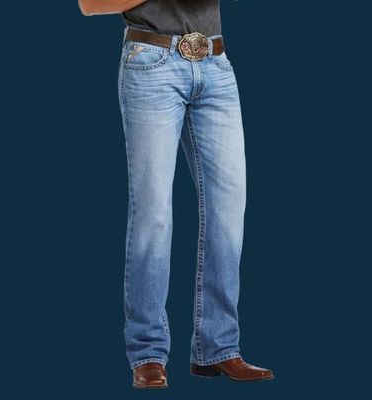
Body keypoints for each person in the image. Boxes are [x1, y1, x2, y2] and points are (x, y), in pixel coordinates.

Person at [78, 0, 274, 389]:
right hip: (151, 61)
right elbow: (89, 4)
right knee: (154, 214)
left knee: (229, 209)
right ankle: (148, 353)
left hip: (215, 62)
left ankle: (218, 348)